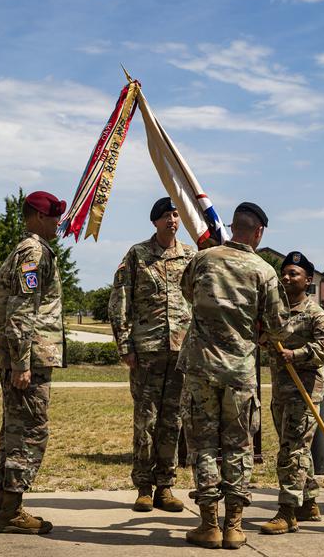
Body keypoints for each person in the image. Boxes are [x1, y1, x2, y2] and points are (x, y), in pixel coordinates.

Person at [179, 202, 291, 550]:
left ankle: (209, 525)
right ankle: (234, 527)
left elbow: (187, 293)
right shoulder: (263, 271)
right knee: (239, 446)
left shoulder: (202, 259)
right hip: (240, 372)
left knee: (204, 445)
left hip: (200, 367)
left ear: (232, 227)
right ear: (259, 233)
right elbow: (278, 325)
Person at [109, 197, 195, 513]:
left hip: (181, 350)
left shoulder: (191, 256)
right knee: (146, 420)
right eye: (166, 216)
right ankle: (144, 487)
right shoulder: (138, 255)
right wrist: (125, 346)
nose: (172, 220)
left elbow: (200, 301)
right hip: (146, 350)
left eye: (176, 215)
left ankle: (166, 487)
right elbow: (119, 301)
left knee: (172, 421)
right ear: (155, 222)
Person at [0, 190, 66, 535]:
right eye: (53, 216)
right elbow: (21, 310)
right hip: (28, 359)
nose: (58, 222)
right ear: (37, 216)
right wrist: (21, 363)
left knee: (17, 430)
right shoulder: (33, 252)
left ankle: (7, 508)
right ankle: (10, 510)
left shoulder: (31, 250)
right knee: (29, 432)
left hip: (28, 357)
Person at [259, 251, 324, 535]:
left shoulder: (314, 312)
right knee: (294, 447)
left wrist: (298, 354)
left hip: (305, 392)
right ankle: (308, 502)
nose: (286, 277)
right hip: (281, 390)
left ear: (307, 280)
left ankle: (287, 512)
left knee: (292, 451)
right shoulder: (277, 311)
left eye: (294, 273)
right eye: (284, 273)